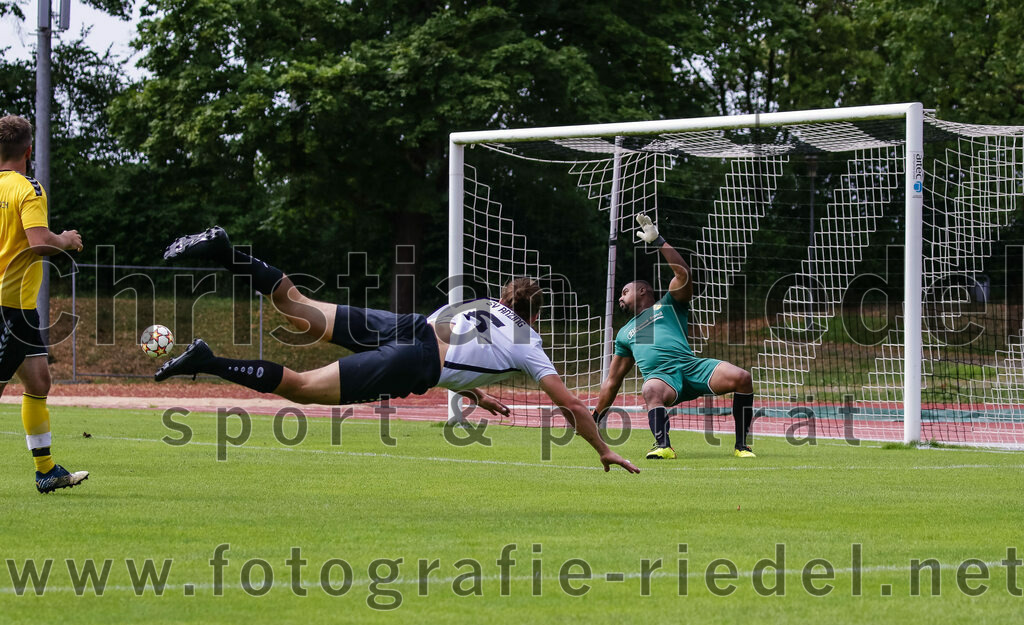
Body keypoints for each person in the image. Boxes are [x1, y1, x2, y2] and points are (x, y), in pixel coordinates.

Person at [156, 226, 639, 474]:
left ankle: (224, 252)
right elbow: (572, 404)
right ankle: (207, 360)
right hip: (416, 358)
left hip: (404, 326)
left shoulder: (483, 303)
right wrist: (602, 447)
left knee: (294, 302)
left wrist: (475, 394)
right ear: (536, 315)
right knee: (303, 388)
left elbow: (464, 348)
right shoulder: (529, 342)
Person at [592, 214, 755, 460]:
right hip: (663, 379)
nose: (620, 297)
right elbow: (612, 381)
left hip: (692, 367)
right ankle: (663, 446)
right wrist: (594, 416)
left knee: (742, 377)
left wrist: (658, 241)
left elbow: (683, 274)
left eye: (625, 292)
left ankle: (742, 446)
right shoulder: (625, 333)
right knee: (650, 388)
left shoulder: (669, 305)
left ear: (643, 290)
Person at [0, 114, 88, 493]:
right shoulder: (27, 188)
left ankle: (47, 470)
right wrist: (66, 239)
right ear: (29, 150)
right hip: (8, 304)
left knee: (38, 380)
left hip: (18, 307)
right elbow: (38, 242)